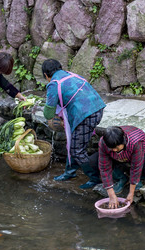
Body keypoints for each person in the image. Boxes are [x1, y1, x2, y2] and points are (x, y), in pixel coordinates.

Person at [42, 59, 106, 189]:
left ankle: (95, 178)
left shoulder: (54, 84)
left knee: (77, 150)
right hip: (97, 108)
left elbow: (48, 113)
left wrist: (52, 115)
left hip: (86, 116)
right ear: (60, 67)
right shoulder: (72, 75)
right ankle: (69, 172)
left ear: (45, 75)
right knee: (73, 143)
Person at [90, 126, 145, 209]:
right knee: (93, 161)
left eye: (117, 147)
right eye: (112, 148)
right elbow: (104, 167)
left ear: (123, 141)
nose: (114, 150)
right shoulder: (103, 142)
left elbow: (136, 166)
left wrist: (131, 193)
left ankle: (138, 180)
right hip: (121, 157)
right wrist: (111, 195)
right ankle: (122, 177)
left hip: (142, 151)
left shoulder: (134, 141)